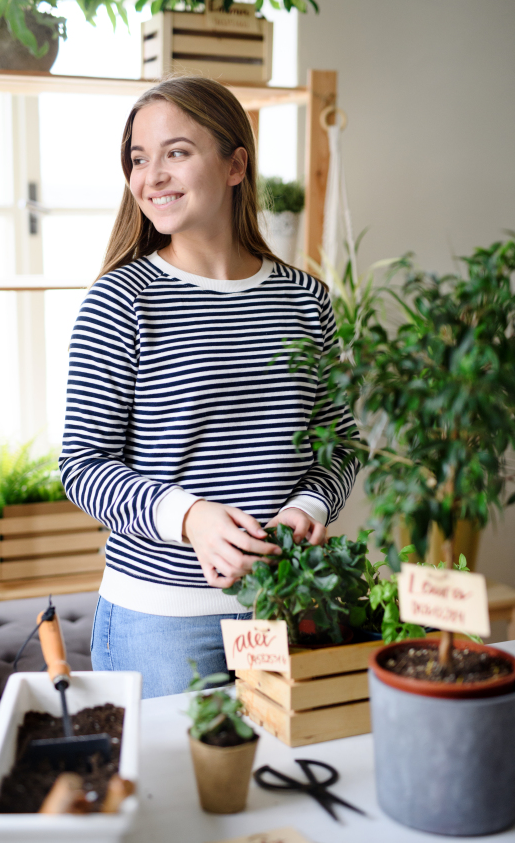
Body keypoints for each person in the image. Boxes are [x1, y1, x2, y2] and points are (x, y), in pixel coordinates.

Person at [59, 75, 358, 698]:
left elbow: (342, 446)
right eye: (139, 159)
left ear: (234, 165)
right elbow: (83, 468)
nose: (152, 176)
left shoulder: (306, 300)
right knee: (172, 795)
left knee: (281, 788)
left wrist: (307, 509)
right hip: (160, 623)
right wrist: (189, 517)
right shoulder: (122, 299)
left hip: (282, 606)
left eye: (176, 152)